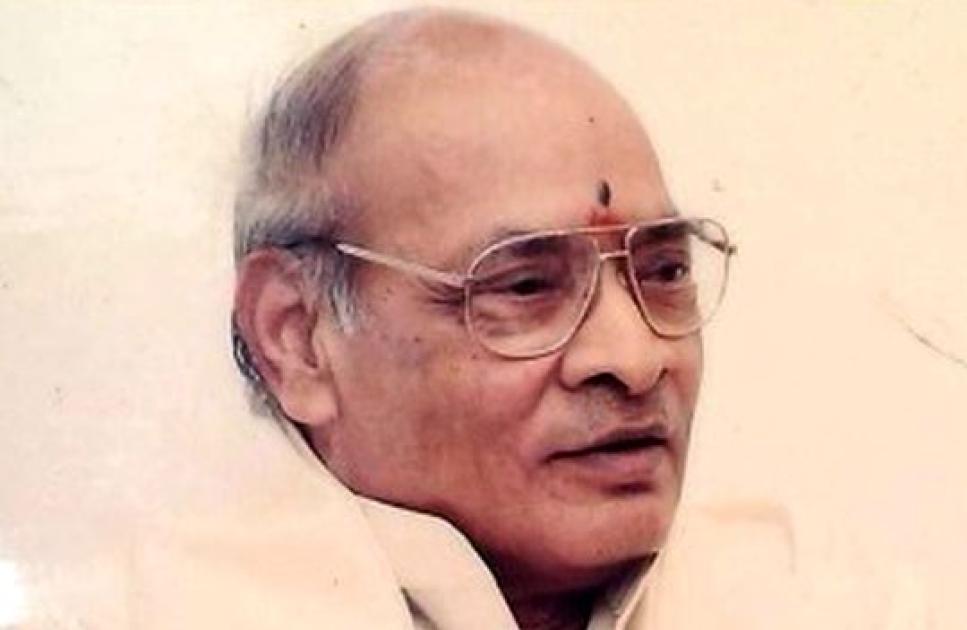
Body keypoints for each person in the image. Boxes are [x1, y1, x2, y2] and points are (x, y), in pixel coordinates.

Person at [220, 8, 735, 629]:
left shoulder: (806, 595)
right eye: (525, 286)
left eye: (665, 273)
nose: (637, 358)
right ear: (296, 338)